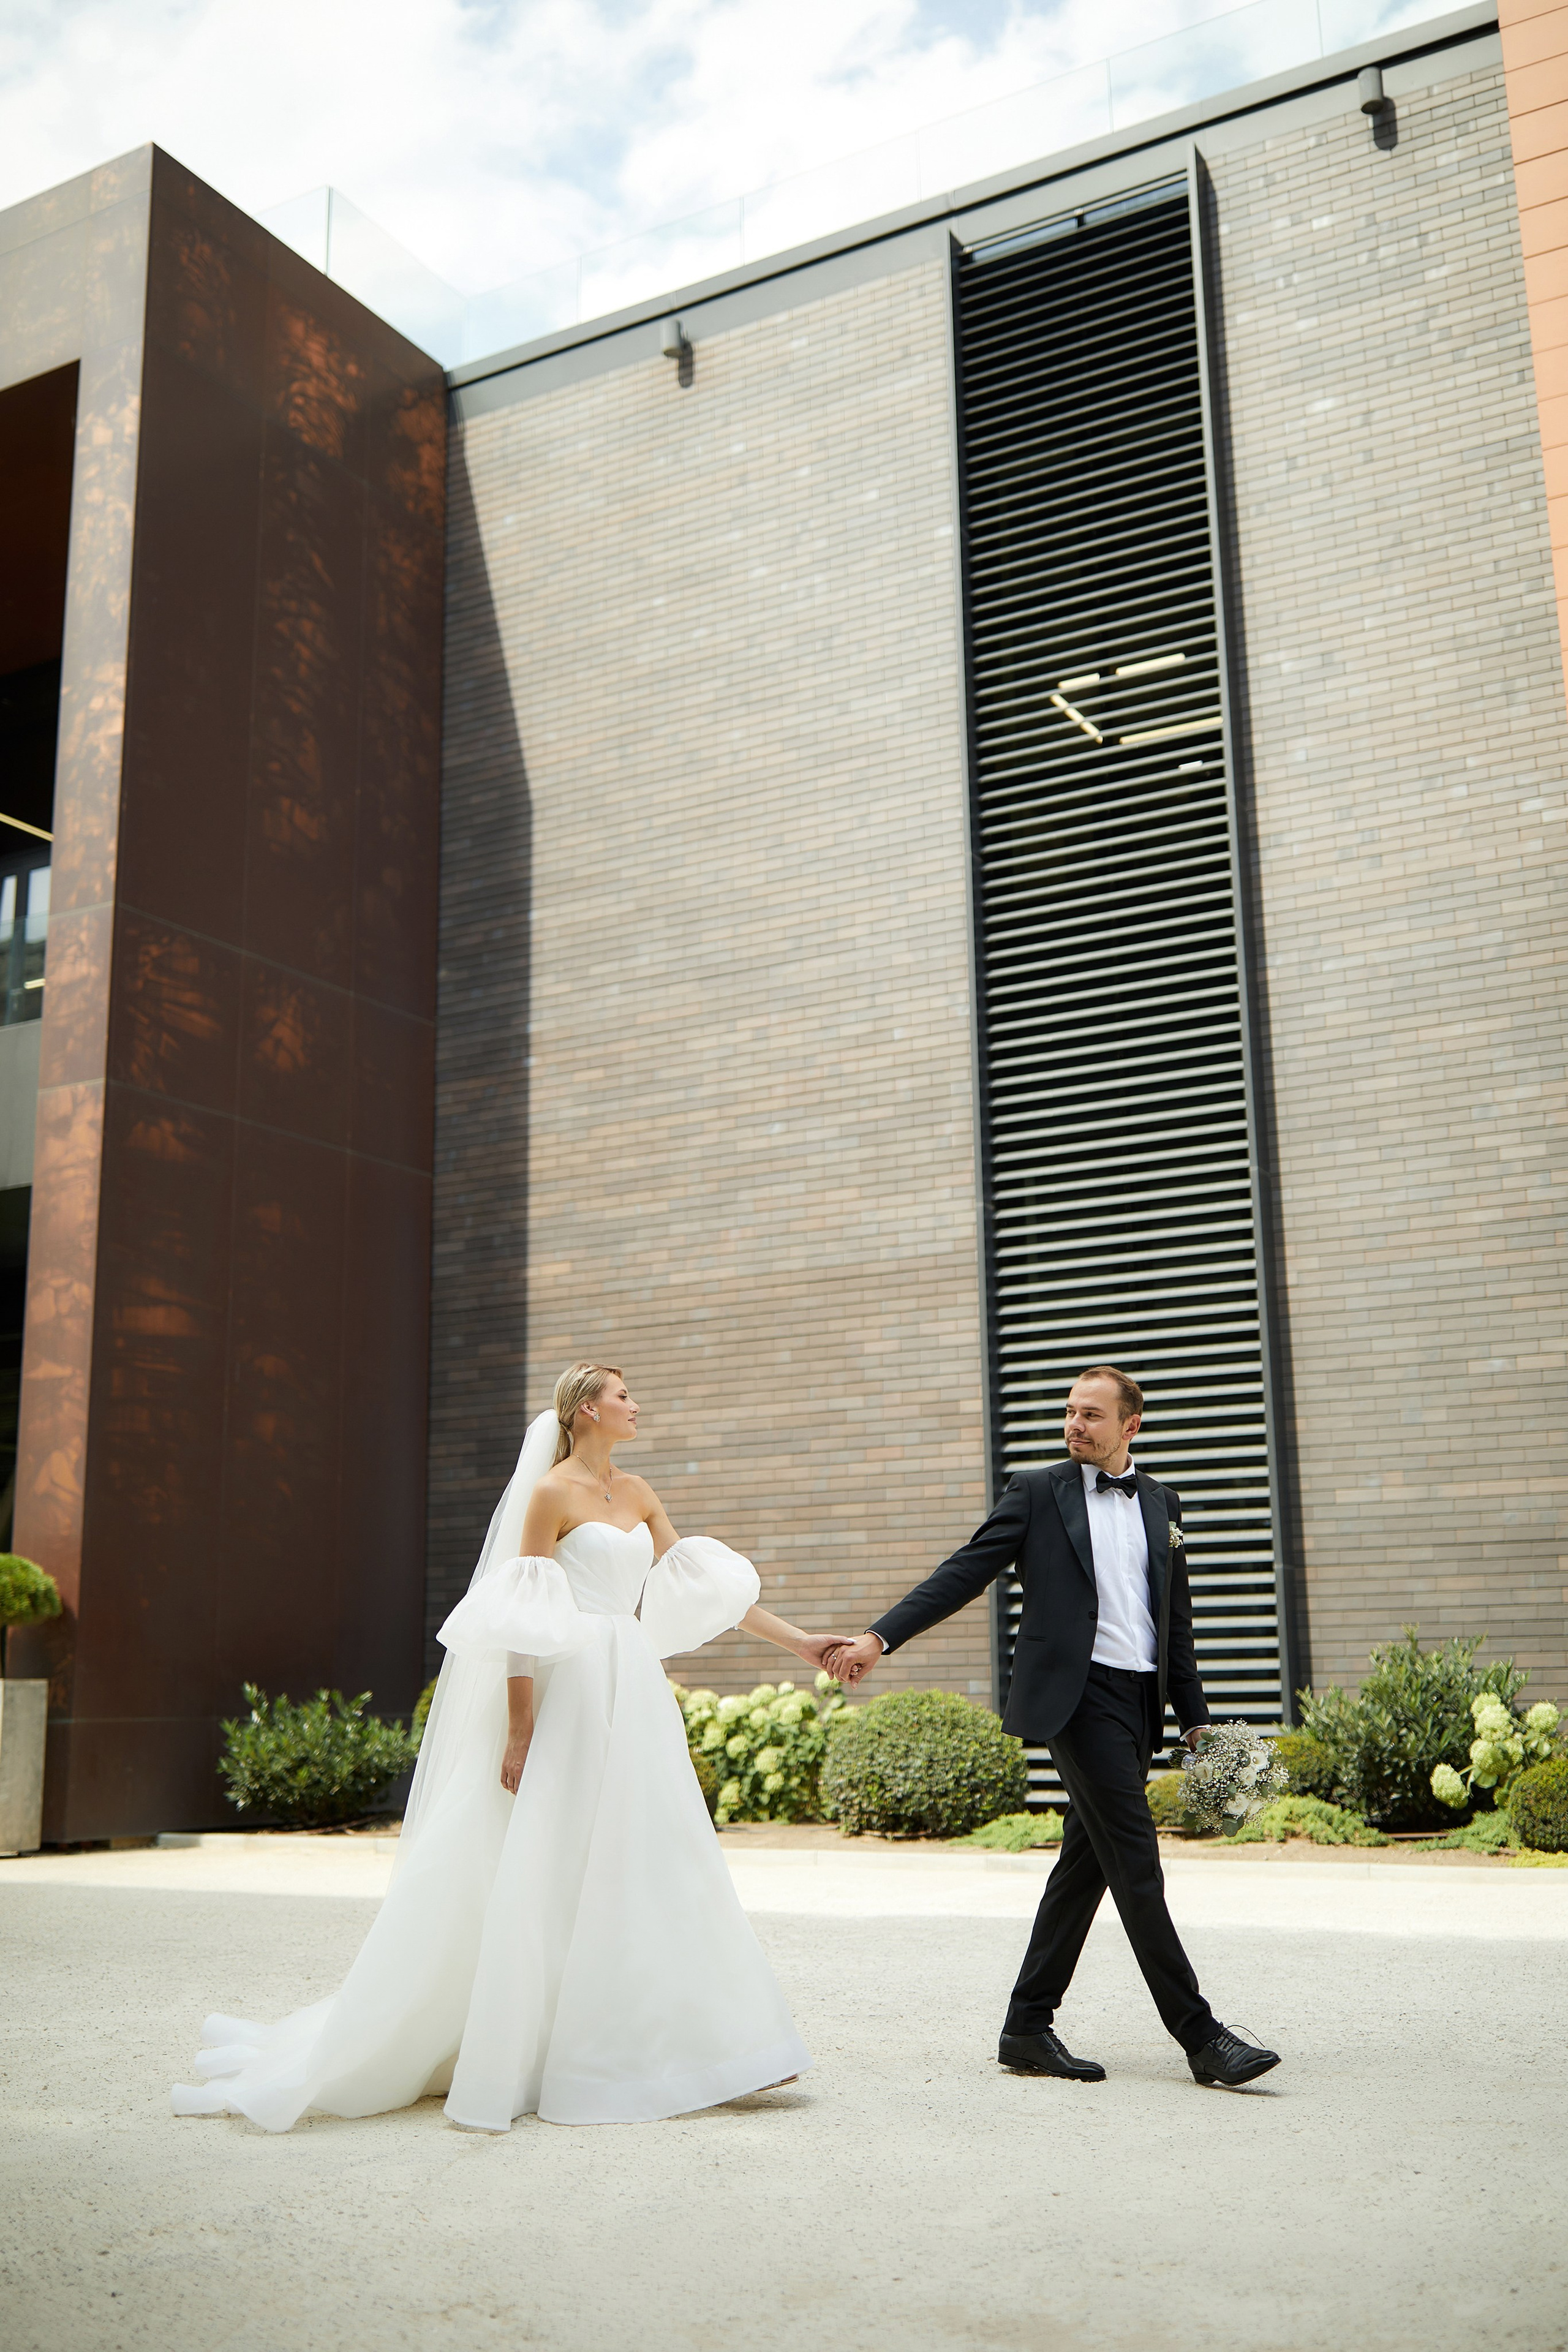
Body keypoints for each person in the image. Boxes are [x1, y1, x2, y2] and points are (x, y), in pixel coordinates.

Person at [173, 1361, 834, 2132]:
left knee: (663, 1850)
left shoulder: (643, 1493)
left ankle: (731, 2046)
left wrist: (804, 1645)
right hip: (573, 1687)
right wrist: (520, 1730)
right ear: (588, 1408)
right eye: (624, 1395)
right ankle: (546, 2045)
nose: (636, 1405)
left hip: (635, 1689)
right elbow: (524, 1618)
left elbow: (705, 1591)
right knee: (562, 1861)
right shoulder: (548, 1495)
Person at [825, 1366, 1280, 2090]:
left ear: (1131, 1425)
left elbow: (1176, 1629)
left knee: (1084, 1867)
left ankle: (1026, 2026)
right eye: (1070, 1411)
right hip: (1077, 1698)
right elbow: (965, 1571)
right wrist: (880, 1638)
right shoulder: (1038, 1492)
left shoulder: (1162, 1502)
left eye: (1092, 1415)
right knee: (1135, 1862)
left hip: (1138, 1704)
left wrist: (1196, 1726)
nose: (1075, 1425)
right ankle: (1201, 2037)